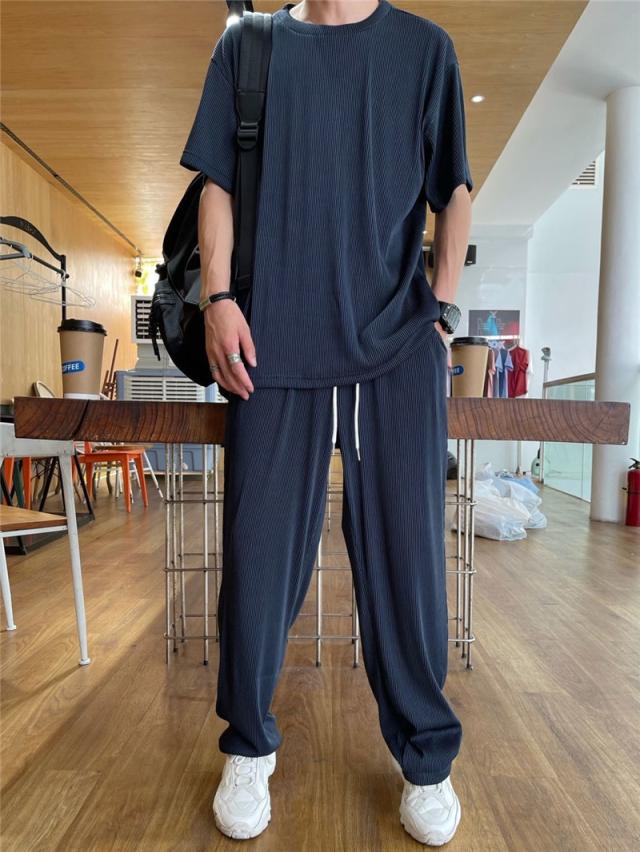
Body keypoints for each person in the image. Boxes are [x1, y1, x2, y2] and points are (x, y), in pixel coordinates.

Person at [180, 0, 473, 844]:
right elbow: (217, 183)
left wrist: (440, 312)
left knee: (410, 561)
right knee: (258, 558)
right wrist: (219, 298)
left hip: (396, 349)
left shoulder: (425, 50)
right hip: (273, 344)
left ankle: (427, 760)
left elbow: (453, 190)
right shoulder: (250, 46)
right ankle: (248, 746)